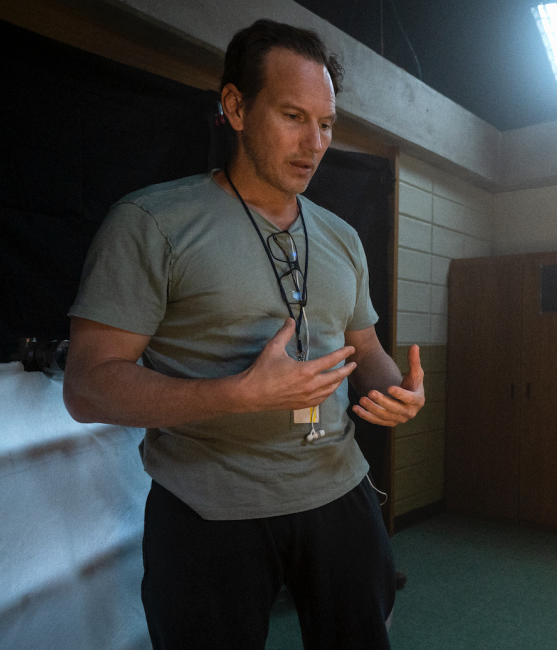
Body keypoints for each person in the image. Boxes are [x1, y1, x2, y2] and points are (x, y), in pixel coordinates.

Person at [62, 19, 422, 649]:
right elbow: (88, 386)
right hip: (208, 509)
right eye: (292, 115)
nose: (314, 142)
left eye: (327, 124)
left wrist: (398, 391)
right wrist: (239, 394)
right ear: (234, 107)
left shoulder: (342, 236)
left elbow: (367, 352)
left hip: (340, 489)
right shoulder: (152, 222)